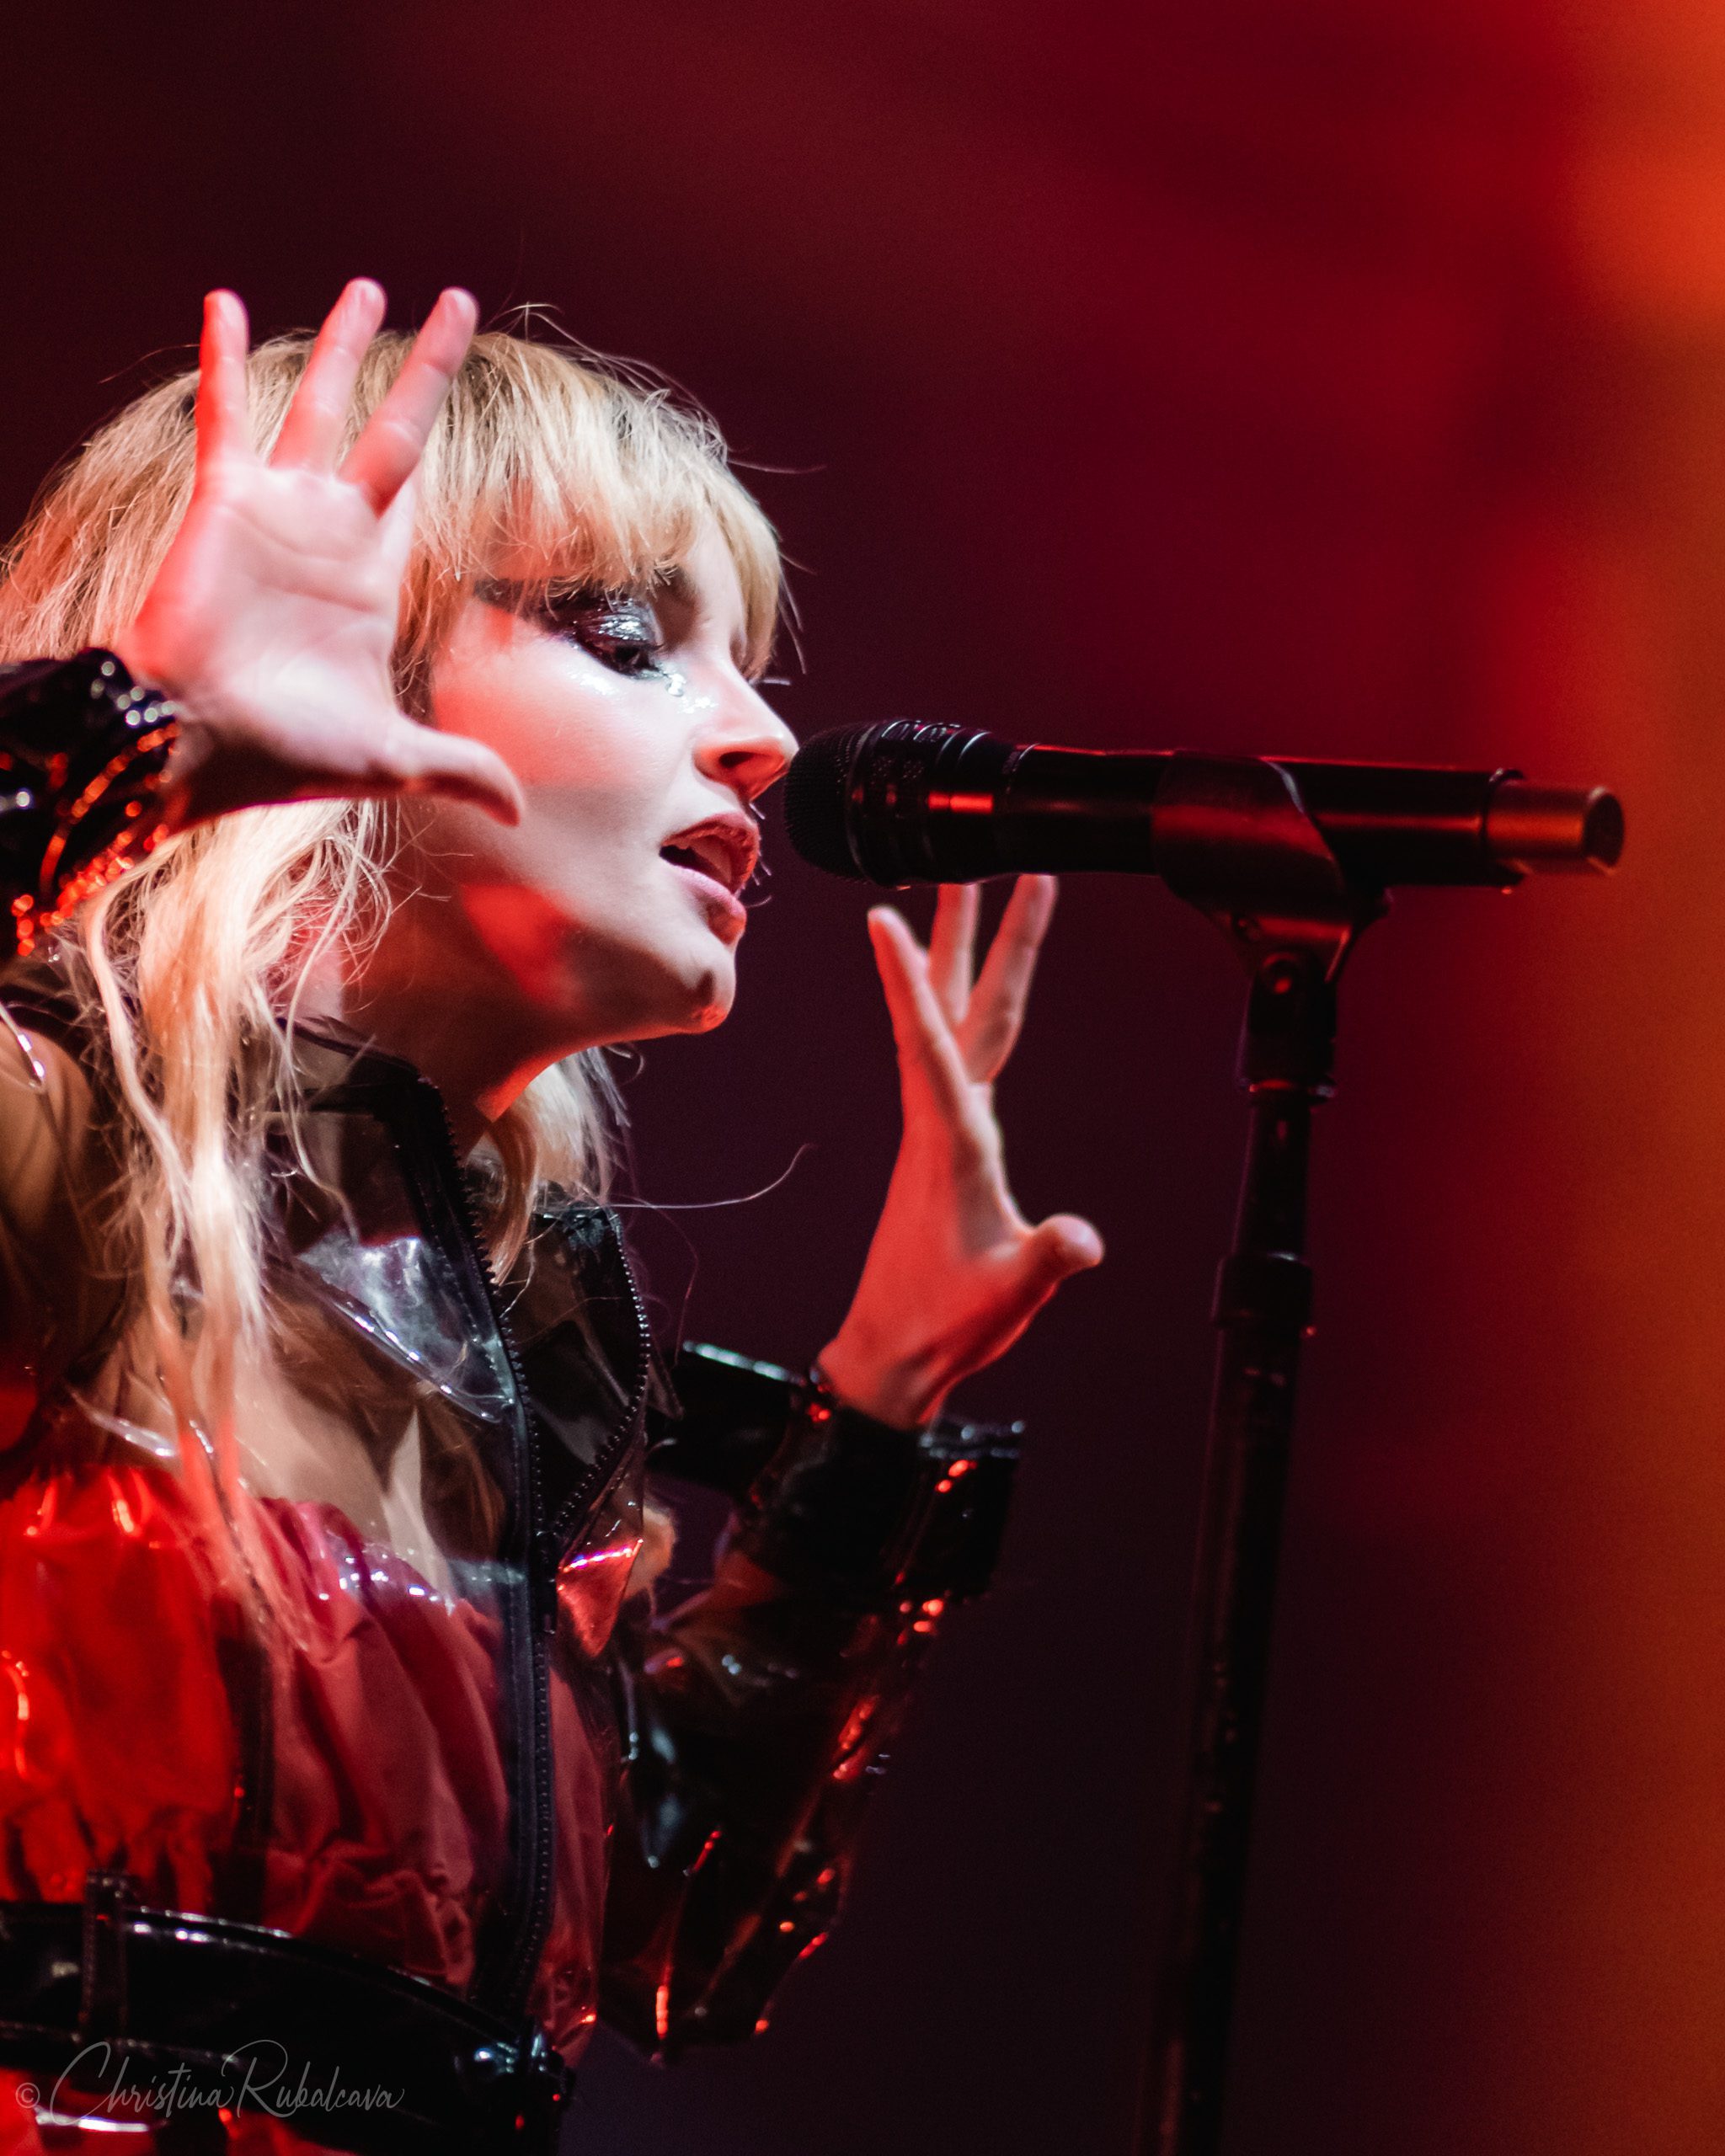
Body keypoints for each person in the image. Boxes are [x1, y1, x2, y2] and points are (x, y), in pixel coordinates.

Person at [0, 280, 1102, 2154]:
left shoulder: (522, 1335)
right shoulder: (53, 1141)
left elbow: (656, 1951)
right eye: (626, 639)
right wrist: (121, 729)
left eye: (745, 663)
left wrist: (878, 1409)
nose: (760, 737)